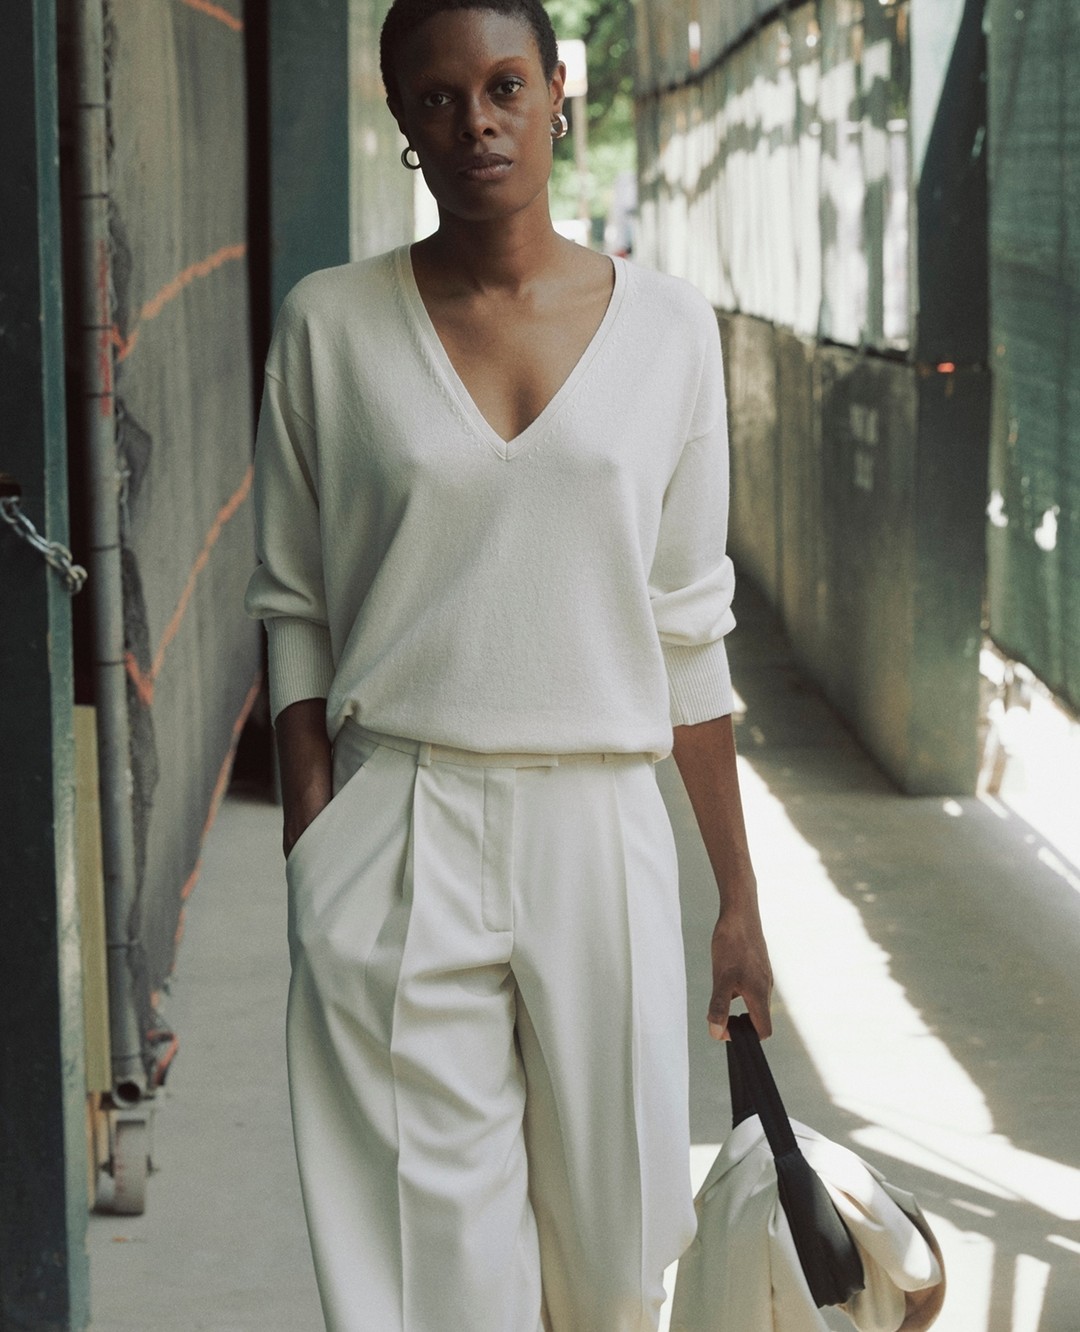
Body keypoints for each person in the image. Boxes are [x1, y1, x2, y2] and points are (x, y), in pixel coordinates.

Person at [245, 0, 772, 1327]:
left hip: (600, 822)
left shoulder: (669, 332)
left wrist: (737, 898)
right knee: (433, 1279)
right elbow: (293, 602)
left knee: (615, 1257)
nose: (475, 122)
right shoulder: (329, 326)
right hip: (400, 817)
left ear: (556, 94)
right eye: (438, 97)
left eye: (503, 87)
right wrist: (315, 837)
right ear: (402, 121)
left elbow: (688, 629)